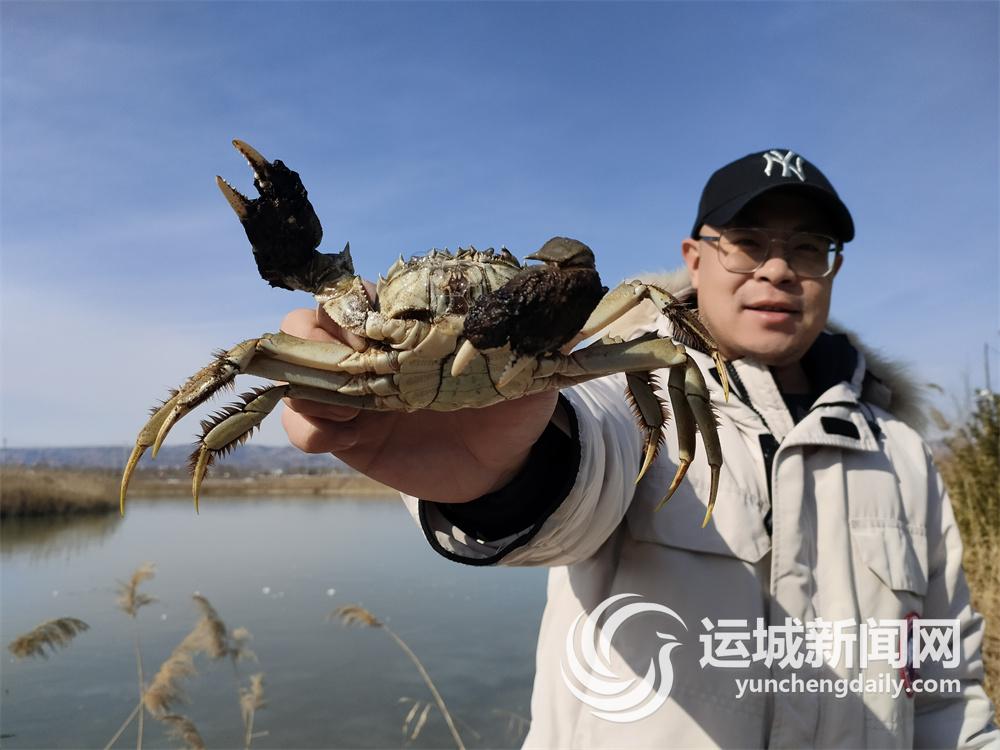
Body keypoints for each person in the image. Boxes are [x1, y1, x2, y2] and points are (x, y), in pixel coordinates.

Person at [279, 149, 998, 748]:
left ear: (831, 270)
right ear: (694, 255)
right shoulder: (628, 378)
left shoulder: (901, 453)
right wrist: (505, 473)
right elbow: (587, 456)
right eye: (748, 241)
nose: (778, 270)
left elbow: (944, 689)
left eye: (807, 247)